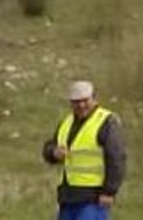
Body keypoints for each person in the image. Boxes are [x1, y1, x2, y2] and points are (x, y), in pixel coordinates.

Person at [43, 80, 127, 220]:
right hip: (68, 197)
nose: (81, 105)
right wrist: (53, 152)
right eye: (76, 102)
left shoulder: (106, 122)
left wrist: (109, 191)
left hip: (93, 198)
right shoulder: (66, 122)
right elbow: (49, 147)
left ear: (94, 99)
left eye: (85, 100)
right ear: (71, 103)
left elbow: (116, 158)